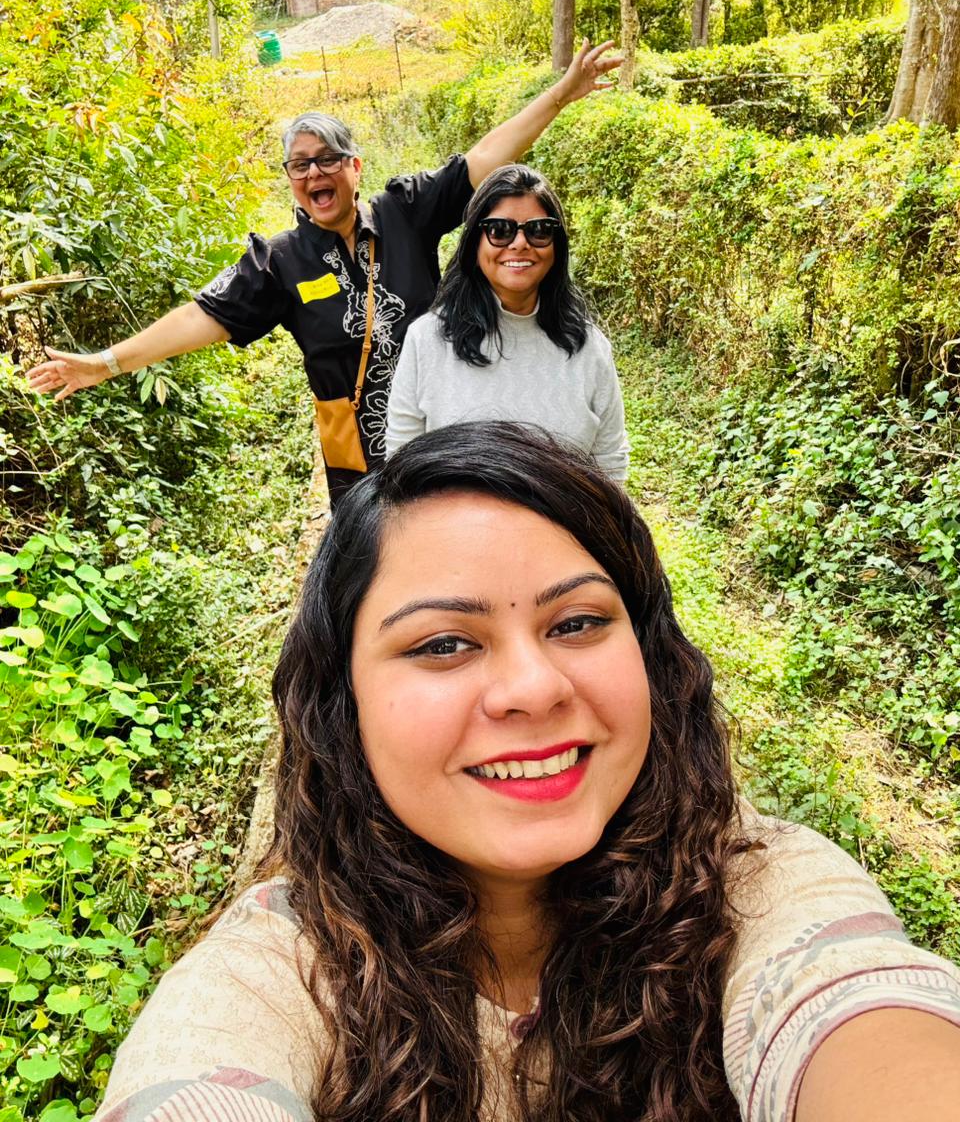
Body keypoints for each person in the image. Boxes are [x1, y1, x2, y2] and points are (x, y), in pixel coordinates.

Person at [94, 423, 960, 1122]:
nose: (535, 688)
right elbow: (198, 1074)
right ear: (341, 703)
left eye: (578, 623)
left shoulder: (759, 887)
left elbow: (850, 1001)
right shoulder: (277, 973)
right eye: (443, 643)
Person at [24, 42, 623, 506]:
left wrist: (561, 95)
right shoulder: (280, 262)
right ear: (290, 180)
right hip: (358, 464)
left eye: (328, 159)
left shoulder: (405, 212)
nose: (315, 174)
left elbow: (485, 159)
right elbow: (201, 318)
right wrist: (105, 363)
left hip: (447, 438)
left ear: (355, 166)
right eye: (300, 165)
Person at [385, 165, 629, 481]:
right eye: (500, 230)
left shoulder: (590, 349)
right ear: (475, 243)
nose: (520, 243)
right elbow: (401, 466)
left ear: (556, 245)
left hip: (565, 516)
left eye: (539, 230)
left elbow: (610, 465)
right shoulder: (427, 341)